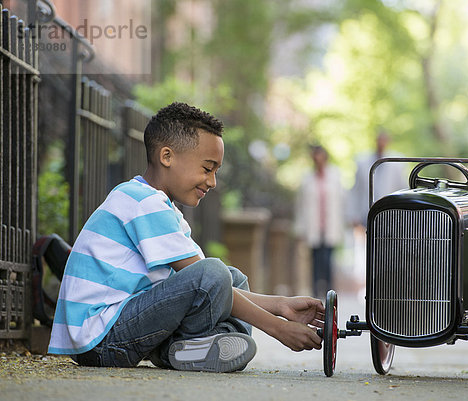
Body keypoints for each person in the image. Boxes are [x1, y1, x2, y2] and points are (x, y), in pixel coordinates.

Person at [48, 102, 324, 372]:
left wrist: (281, 306)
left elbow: (215, 285)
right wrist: (279, 328)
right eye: (207, 168)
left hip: (121, 328)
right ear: (167, 157)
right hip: (101, 339)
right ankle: (180, 349)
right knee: (214, 273)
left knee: (232, 277)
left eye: (216, 172)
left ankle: (191, 350)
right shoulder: (142, 202)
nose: (213, 182)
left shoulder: (161, 206)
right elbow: (206, 278)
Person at [294, 145, 344, 298]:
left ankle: (330, 292)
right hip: (313, 226)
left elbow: (342, 202)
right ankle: (316, 293)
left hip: (330, 226)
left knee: (328, 260)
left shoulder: (335, 176)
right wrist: (300, 228)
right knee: (315, 261)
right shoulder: (307, 179)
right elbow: (301, 205)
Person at [348, 132, 407, 228]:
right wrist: (354, 214)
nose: (381, 143)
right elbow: (356, 190)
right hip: (367, 211)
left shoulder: (397, 162)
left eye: (384, 141)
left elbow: (402, 188)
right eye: (379, 140)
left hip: (390, 213)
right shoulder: (362, 161)